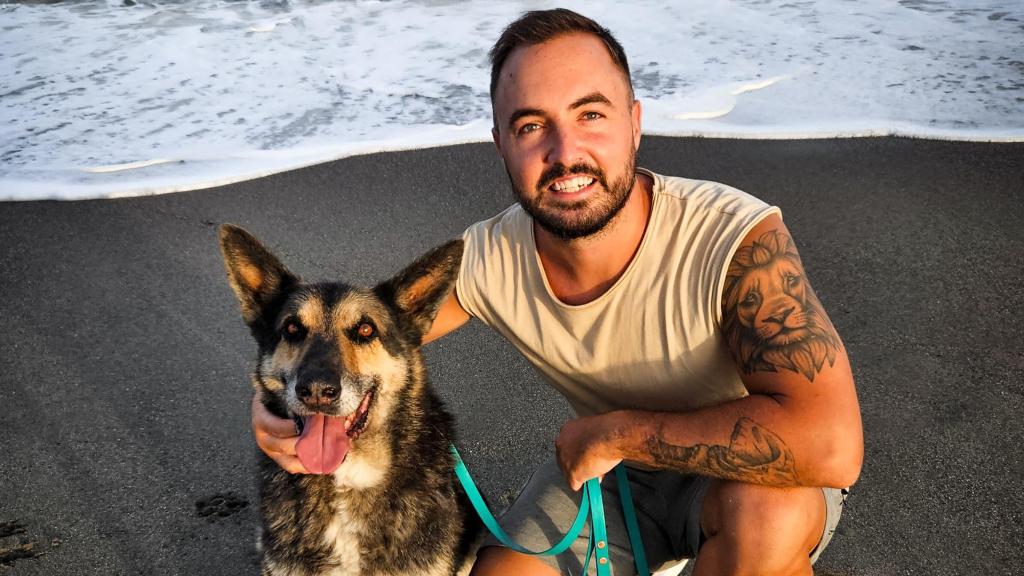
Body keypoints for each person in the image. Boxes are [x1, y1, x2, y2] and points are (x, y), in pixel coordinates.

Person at [252, 8, 863, 576]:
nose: (565, 152)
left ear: (634, 121)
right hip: (610, 480)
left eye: (590, 114)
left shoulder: (733, 237)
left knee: (767, 523)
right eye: (531, 125)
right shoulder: (491, 255)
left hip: (742, 480)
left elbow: (833, 447)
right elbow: (372, 340)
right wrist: (279, 406)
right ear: (501, 144)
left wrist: (617, 432)